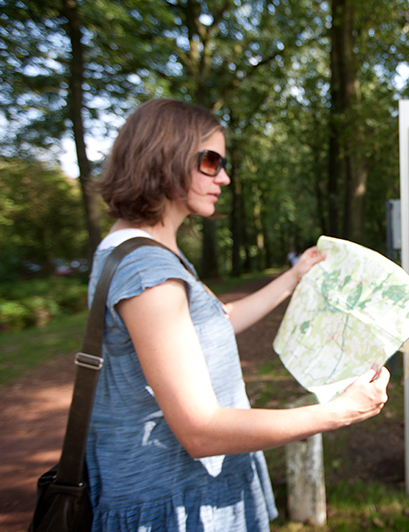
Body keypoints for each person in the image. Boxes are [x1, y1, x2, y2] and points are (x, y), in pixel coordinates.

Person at [88, 98, 390, 531]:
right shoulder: (148, 272)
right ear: (164, 156)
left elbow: (213, 323)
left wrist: (293, 277)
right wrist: (340, 412)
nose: (224, 177)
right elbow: (200, 430)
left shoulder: (141, 250)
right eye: (211, 161)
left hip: (189, 490)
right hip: (176, 503)